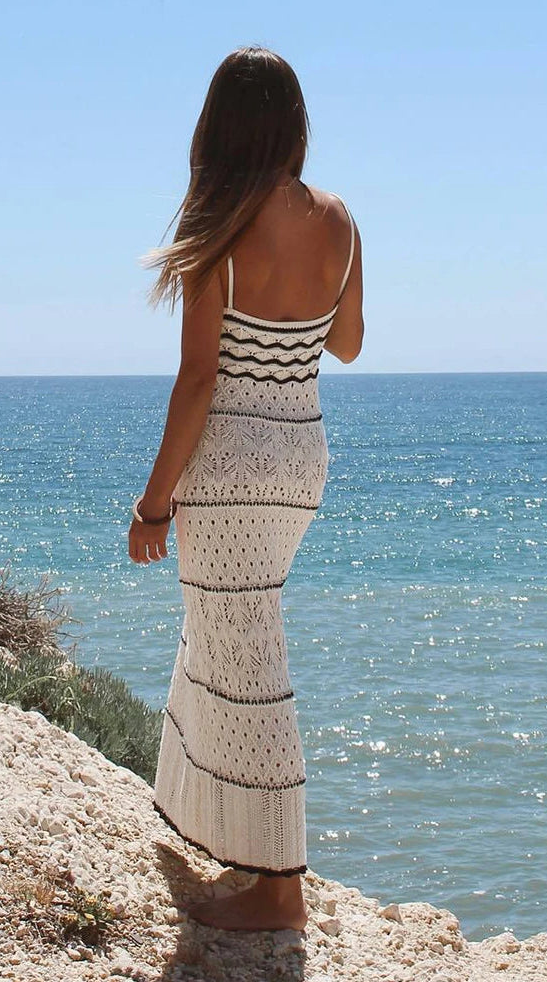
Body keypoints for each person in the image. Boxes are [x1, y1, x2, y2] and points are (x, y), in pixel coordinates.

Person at [128, 45, 364, 932]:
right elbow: (345, 344)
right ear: (295, 124)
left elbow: (197, 380)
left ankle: (280, 886)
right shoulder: (340, 220)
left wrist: (154, 505)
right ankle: (204, 820)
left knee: (247, 656)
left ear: (217, 128)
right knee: (224, 633)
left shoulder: (218, 222)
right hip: (299, 461)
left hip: (228, 465)